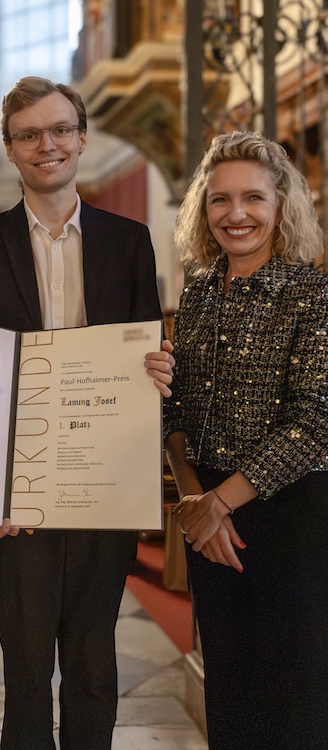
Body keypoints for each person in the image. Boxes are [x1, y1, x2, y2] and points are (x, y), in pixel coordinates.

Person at [0, 75, 174, 750]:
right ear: (10, 149)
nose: (47, 145)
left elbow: (146, 355)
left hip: (103, 482)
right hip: (18, 487)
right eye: (28, 134)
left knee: (93, 665)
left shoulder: (129, 241)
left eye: (60, 129)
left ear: (82, 138)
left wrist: (158, 370)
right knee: (26, 671)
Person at [166, 130, 328, 750]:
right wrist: (193, 501)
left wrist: (218, 503)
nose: (236, 214)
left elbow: (314, 423)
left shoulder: (312, 295)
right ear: (203, 210)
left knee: (294, 694)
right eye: (220, 199)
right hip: (208, 518)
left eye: (253, 198)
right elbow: (176, 410)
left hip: (289, 516)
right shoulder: (198, 294)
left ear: (281, 206)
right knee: (229, 690)